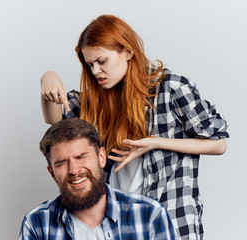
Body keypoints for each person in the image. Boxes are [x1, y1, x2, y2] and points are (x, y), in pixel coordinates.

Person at [40, 15, 229, 239]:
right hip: (122, 220)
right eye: (90, 64)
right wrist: (47, 78)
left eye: (102, 61)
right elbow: (54, 119)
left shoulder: (171, 88)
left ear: (127, 52)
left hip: (172, 216)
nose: (96, 71)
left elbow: (218, 144)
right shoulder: (96, 101)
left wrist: (156, 142)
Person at [19, 118, 176, 239]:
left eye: (81, 157)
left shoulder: (149, 215)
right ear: (52, 173)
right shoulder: (36, 223)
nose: (73, 170)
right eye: (61, 163)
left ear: (101, 157)